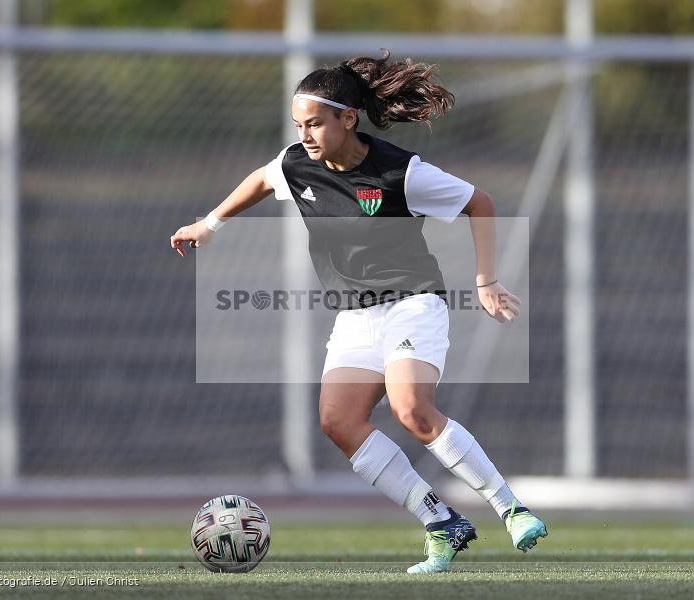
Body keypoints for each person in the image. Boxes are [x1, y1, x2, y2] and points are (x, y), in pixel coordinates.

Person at [170, 51, 547, 574]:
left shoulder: (400, 171)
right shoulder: (297, 164)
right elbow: (261, 179)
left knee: (411, 409)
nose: (304, 135)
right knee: (338, 421)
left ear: (348, 119)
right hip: (354, 315)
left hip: (413, 303)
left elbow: (478, 202)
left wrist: (486, 281)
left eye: (314, 124)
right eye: (298, 125)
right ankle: (441, 522)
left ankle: (511, 508)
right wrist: (209, 224)